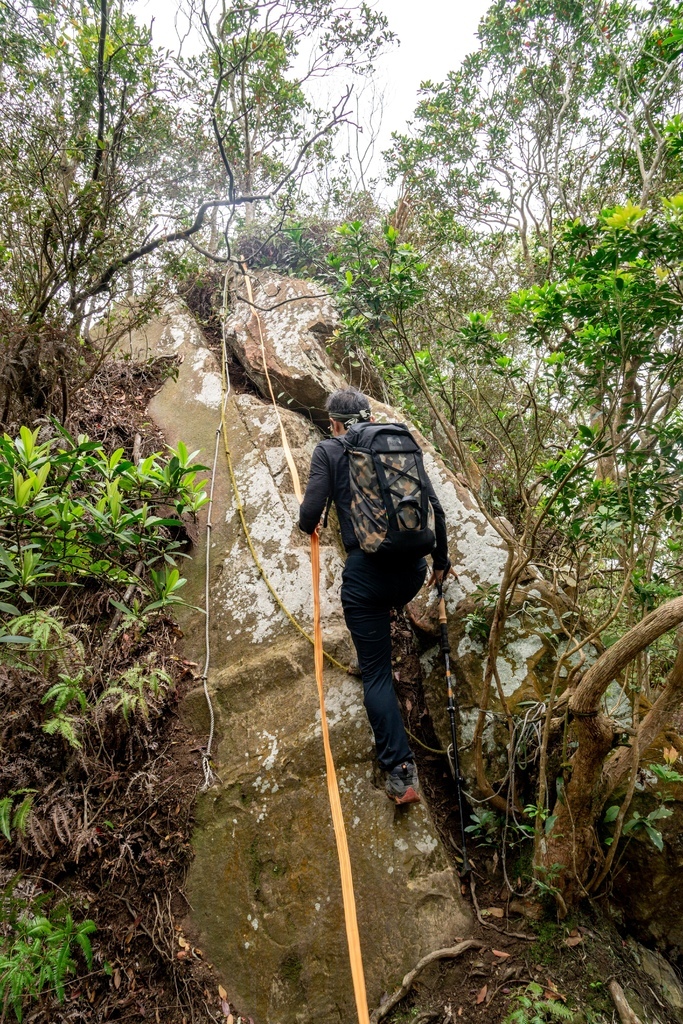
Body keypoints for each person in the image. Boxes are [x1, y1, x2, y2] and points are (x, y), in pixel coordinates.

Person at [299, 387, 455, 805]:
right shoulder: (396, 445)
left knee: (377, 673)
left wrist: (311, 522)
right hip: (412, 574)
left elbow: (308, 515)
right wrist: (441, 562)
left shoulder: (330, 450)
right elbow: (435, 508)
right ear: (368, 416)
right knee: (381, 614)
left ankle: (402, 774)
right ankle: (376, 638)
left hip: (368, 579)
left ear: (334, 422)